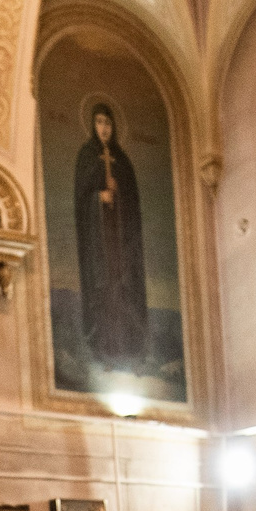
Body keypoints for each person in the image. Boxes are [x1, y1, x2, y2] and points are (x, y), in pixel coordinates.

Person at [74, 102, 150, 369]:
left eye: (107, 123)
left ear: (114, 126)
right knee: (104, 290)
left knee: (124, 289)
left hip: (121, 243)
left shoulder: (123, 161)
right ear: (92, 126)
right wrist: (98, 197)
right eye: (99, 123)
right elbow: (80, 200)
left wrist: (119, 195)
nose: (104, 129)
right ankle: (102, 350)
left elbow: (133, 203)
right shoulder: (86, 156)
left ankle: (130, 349)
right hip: (99, 244)